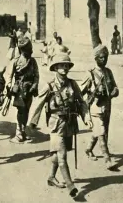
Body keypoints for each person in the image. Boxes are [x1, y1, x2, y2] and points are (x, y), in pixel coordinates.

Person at [28, 53, 93, 198]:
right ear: (55, 67)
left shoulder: (73, 84)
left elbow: (81, 102)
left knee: (58, 153)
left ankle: (51, 177)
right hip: (55, 125)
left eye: (66, 65)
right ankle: (71, 187)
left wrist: (86, 118)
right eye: (61, 65)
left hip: (69, 123)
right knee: (62, 155)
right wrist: (31, 122)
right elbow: (38, 103)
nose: (64, 68)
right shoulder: (50, 85)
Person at [81, 45, 119, 170]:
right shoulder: (90, 73)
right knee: (101, 132)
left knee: (101, 131)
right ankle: (107, 160)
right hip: (95, 108)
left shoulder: (108, 72)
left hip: (107, 106)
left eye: (106, 57)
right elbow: (80, 91)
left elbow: (115, 87)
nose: (104, 59)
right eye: (102, 57)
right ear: (96, 58)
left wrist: (115, 92)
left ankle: (88, 149)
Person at [5, 36, 39, 143]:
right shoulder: (16, 61)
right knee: (21, 111)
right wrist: (9, 86)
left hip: (29, 90)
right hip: (19, 90)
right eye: (25, 49)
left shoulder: (33, 61)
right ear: (21, 49)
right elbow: (9, 75)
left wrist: (34, 86)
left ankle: (23, 132)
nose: (28, 51)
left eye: (29, 48)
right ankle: (19, 134)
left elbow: (36, 75)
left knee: (27, 111)